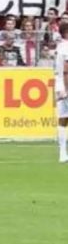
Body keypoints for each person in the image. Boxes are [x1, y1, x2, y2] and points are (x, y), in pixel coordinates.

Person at [54, 22, 68, 163]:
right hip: (64, 85)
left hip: (59, 85)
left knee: (63, 119)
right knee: (63, 119)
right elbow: (66, 70)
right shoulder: (66, 47)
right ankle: (63, 153)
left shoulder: (60, 47)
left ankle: (62, 152)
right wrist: (66, 89)